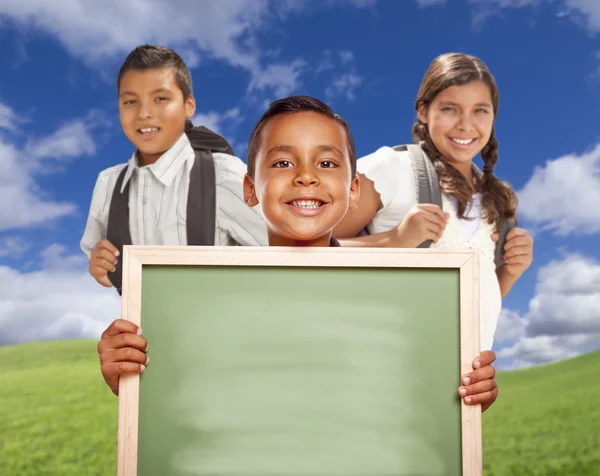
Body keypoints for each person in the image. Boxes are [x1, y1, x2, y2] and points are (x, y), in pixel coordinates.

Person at [98, 95, 499, 411]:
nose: (306, 176)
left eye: (326, 162)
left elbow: (423, 400)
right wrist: (130, 378)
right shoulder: (198, 299)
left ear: (353, 189)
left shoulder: (404, 301)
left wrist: (469, 394)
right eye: (283, 162)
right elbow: (184, 401)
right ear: (250, 190)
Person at [334, 53, 534, 353]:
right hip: (384, 364)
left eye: (480, 110)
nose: (466, 125)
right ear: (423, 111)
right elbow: (308, 248)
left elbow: (483, 304)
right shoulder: (391, 169)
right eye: (450, 109)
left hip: (460, 380)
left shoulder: (498, 199)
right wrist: (394, 241)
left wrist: (511, 272)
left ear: (493, 116)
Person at [80, 44, 267, 291]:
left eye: (160, 98)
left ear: (188, 105)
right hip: (141, 328)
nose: (144, 113)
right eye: (130, 101)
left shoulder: (223, 175)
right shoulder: (108, 184)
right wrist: (99, 265)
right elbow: (98, 259)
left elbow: (280, 253)